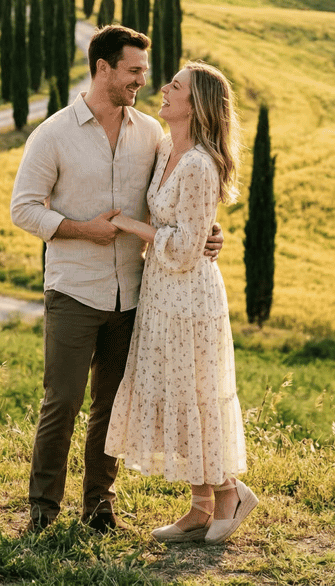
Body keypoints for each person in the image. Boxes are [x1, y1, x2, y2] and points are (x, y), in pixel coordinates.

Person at [10, 25, 222, 533]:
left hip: (133, 295)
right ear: (102, 68)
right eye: (133, 71)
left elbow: (177, 195)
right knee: (61, 401)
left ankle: (99, 506)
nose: (141, 81)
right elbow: (23, 209)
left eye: (145, 73)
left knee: (110, 405)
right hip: (74, 292)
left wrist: (208, 231)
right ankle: (43, 509)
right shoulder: (54, 134)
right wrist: (84, 230)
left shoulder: (150, 132)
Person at [105, 61, 258, 544]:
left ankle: (231, 493)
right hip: (161, 293)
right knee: (176, 391)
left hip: (190, 299)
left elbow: (187, 248)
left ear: (196, 105)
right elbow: (193, 227)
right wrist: (204, 230)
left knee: (195, 393)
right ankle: (199, 507)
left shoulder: (198, 164)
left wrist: (130, 226)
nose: (164, 89)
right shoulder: (170, 146)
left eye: (176, 86)